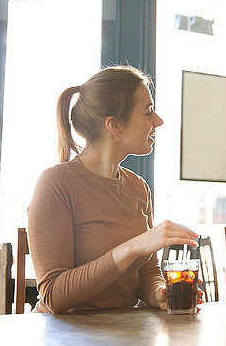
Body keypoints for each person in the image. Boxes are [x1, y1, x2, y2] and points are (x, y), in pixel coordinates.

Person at [28, 66, 201, 313]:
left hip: (122, 331)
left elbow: (148, 273)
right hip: (62, 335)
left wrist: (159, 293)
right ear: (115, 126)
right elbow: (54, 296)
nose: (159, 121)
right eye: (148, 112)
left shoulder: (138, 188)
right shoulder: (55, 184)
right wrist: (132, 247)